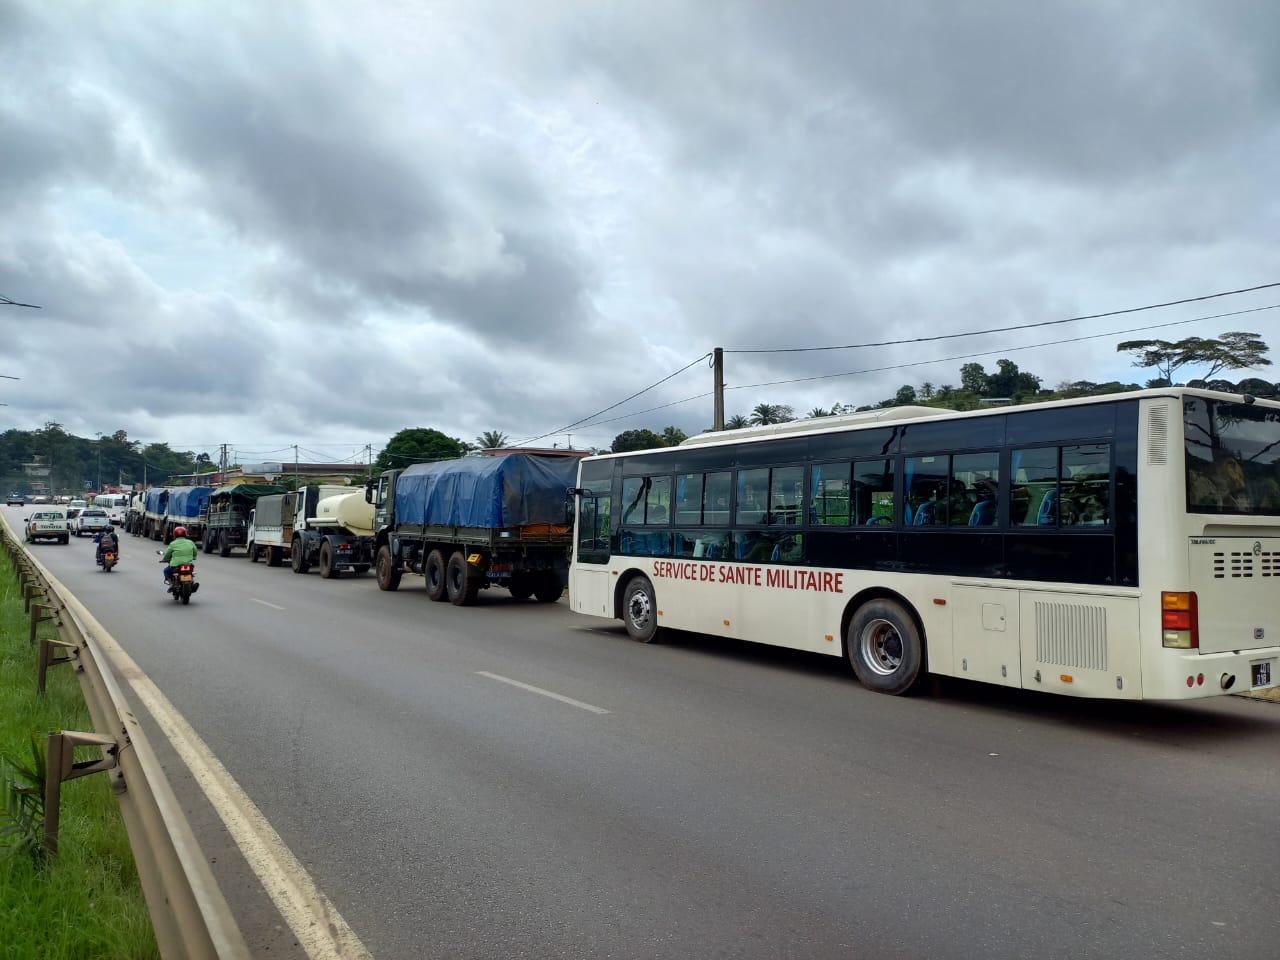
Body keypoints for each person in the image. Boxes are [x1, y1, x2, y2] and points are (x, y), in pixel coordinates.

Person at [159, 525, 199, 592]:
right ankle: (192, 583)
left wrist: (164, 559)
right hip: (188, 564)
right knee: (191, 572)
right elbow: (195, 552)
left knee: (166, 571)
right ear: (185, 534)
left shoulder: (173, 544)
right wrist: (194, 557)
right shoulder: (190, 542)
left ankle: (171, 584)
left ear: (175, 535)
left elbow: (167, 554)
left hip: (175, 565)